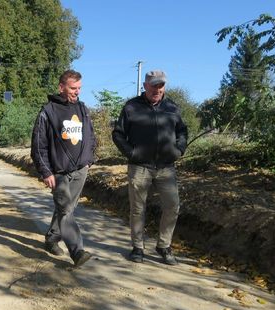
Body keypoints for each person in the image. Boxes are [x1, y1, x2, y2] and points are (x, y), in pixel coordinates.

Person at [112, 70, 188, 265]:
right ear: (145, 86)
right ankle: (137, 247)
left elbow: (182, 131)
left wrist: (179, 150)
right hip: (140, 167)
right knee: (138, 209)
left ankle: (164, 245)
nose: (157, 89)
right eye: (154, 85)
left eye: (161, 85)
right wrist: (132, 153)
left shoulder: (172, 108)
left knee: (172, 206)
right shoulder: (131, 107)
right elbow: (118, 134)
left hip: (166, 167)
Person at [31, 69, 96, 267]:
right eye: (73, 88)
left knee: (66, 208)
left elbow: (91, 136)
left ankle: (51, 238)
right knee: (66, 209)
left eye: (79, 88)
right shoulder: (48, 112)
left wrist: (89, 159)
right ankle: (77, 252)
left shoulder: (83, 109)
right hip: (58, 172)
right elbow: (38, 145)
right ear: (61, 87)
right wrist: (46, 171)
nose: (77, 92)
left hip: (80, 169)